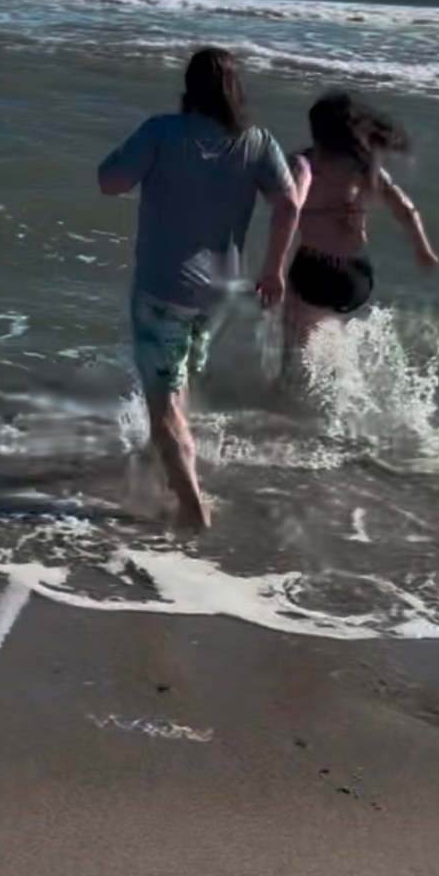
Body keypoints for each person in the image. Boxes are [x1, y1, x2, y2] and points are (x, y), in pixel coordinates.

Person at [98, 47, 299, 530]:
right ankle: (162, 464)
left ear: (189, 87)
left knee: (164, 403)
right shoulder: (257, 141)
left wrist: (114, 160)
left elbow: (111, 183)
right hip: (217, 295)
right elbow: (289, 204)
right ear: (236, 91)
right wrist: (274, 270)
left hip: (163, 289)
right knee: (178, 379)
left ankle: (191, 508)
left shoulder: (161, 131)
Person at [267, 90, 438, 357]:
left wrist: (274, 267)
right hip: (357, 279)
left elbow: (289, 209)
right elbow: (405, 208)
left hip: (315, 271)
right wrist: (423, 250)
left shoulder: (304, 164)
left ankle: (287, 391)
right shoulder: (363, 168)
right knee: (332, 324)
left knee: (294, 349)